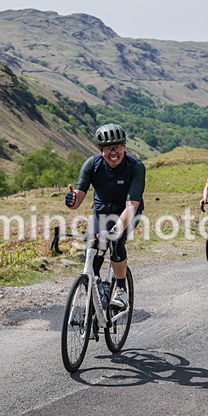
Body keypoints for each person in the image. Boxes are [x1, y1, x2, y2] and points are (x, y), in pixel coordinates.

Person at [65, 123, 145, 309]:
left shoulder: (136, 167)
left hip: (127, 212)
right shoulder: (92, 165)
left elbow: (132, 205)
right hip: (101, 212)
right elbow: (77, 200)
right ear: (100, 150)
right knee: (92, 249)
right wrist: (71, 200)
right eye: (109, 149)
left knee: (116, 242)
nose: (113, 152)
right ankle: (99, 286)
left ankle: (121, 289)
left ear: (124, 146)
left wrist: (115, 230)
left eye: (117, 147)